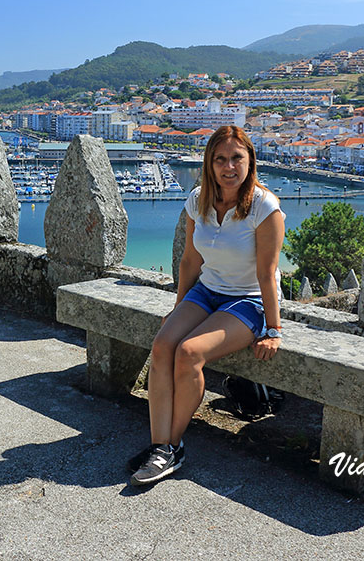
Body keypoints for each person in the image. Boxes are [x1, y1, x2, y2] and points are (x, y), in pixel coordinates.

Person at [128, 125, 286, 486]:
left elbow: (268, 273)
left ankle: (170, 448)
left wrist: (273, 330)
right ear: (209, 163)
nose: (228, 167)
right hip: (207, 291)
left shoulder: (265, 207)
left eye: (236, 158)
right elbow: (188, 262)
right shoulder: (197, 200)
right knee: (163, 345)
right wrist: (178, 308)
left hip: (248, 299)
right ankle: (159, 445)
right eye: (220, 159)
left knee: (188, 352)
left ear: (250, 161)